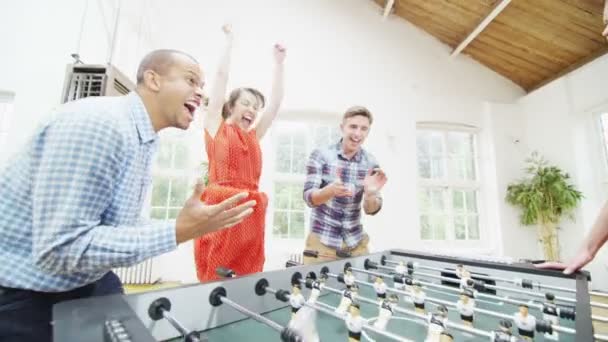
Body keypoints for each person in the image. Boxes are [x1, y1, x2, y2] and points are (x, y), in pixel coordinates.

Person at [0, 49, 256, 342]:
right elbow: (60, 249)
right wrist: (178, 231)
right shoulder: (100, 125)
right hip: (27, 297)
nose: (201, 93)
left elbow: (118, 226)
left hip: (89, 280)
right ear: (153, 79)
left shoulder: (142, 139)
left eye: (201, 86)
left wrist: (187, 226)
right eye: (191, 81)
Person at [193, 25, 286, 281]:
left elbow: (276, 104)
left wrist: (279, 63)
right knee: (216, 276)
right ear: (230, 106)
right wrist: (229, 42)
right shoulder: (216, 127)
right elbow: (221, 78)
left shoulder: (254, 137)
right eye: (246, 103)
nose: (252, 110)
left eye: (255, 107)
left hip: (250, 211)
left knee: (247, 278)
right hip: (221, 208)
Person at [302, 106, 387, 264]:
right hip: (322, 242)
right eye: (353, 127)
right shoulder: (321, 155)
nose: (357, 134)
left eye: (363, 129)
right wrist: (330, 191)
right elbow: (308, 198)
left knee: (363, 287)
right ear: (342, 128)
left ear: (368, 131)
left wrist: (370, 194)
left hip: (355, 242)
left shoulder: (371, 162)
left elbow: (371, 210)